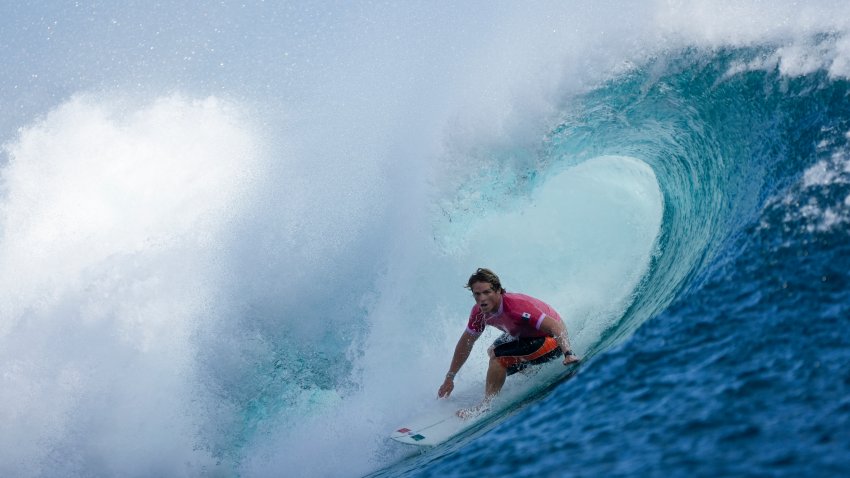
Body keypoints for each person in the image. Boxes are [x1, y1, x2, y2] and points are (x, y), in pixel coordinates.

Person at [437, 268, 580, 418]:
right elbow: (465, 343)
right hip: (525, 338)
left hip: (552, 341)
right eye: (477, 294)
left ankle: (485, 406)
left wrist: (568, 353)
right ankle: (531, 374)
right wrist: (450, 377)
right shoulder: (479, 313)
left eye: (487, 292)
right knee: (492, 350)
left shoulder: (516, 307)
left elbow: (556, 326)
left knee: (499, 358)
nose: (482, 299)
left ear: (498, 290)